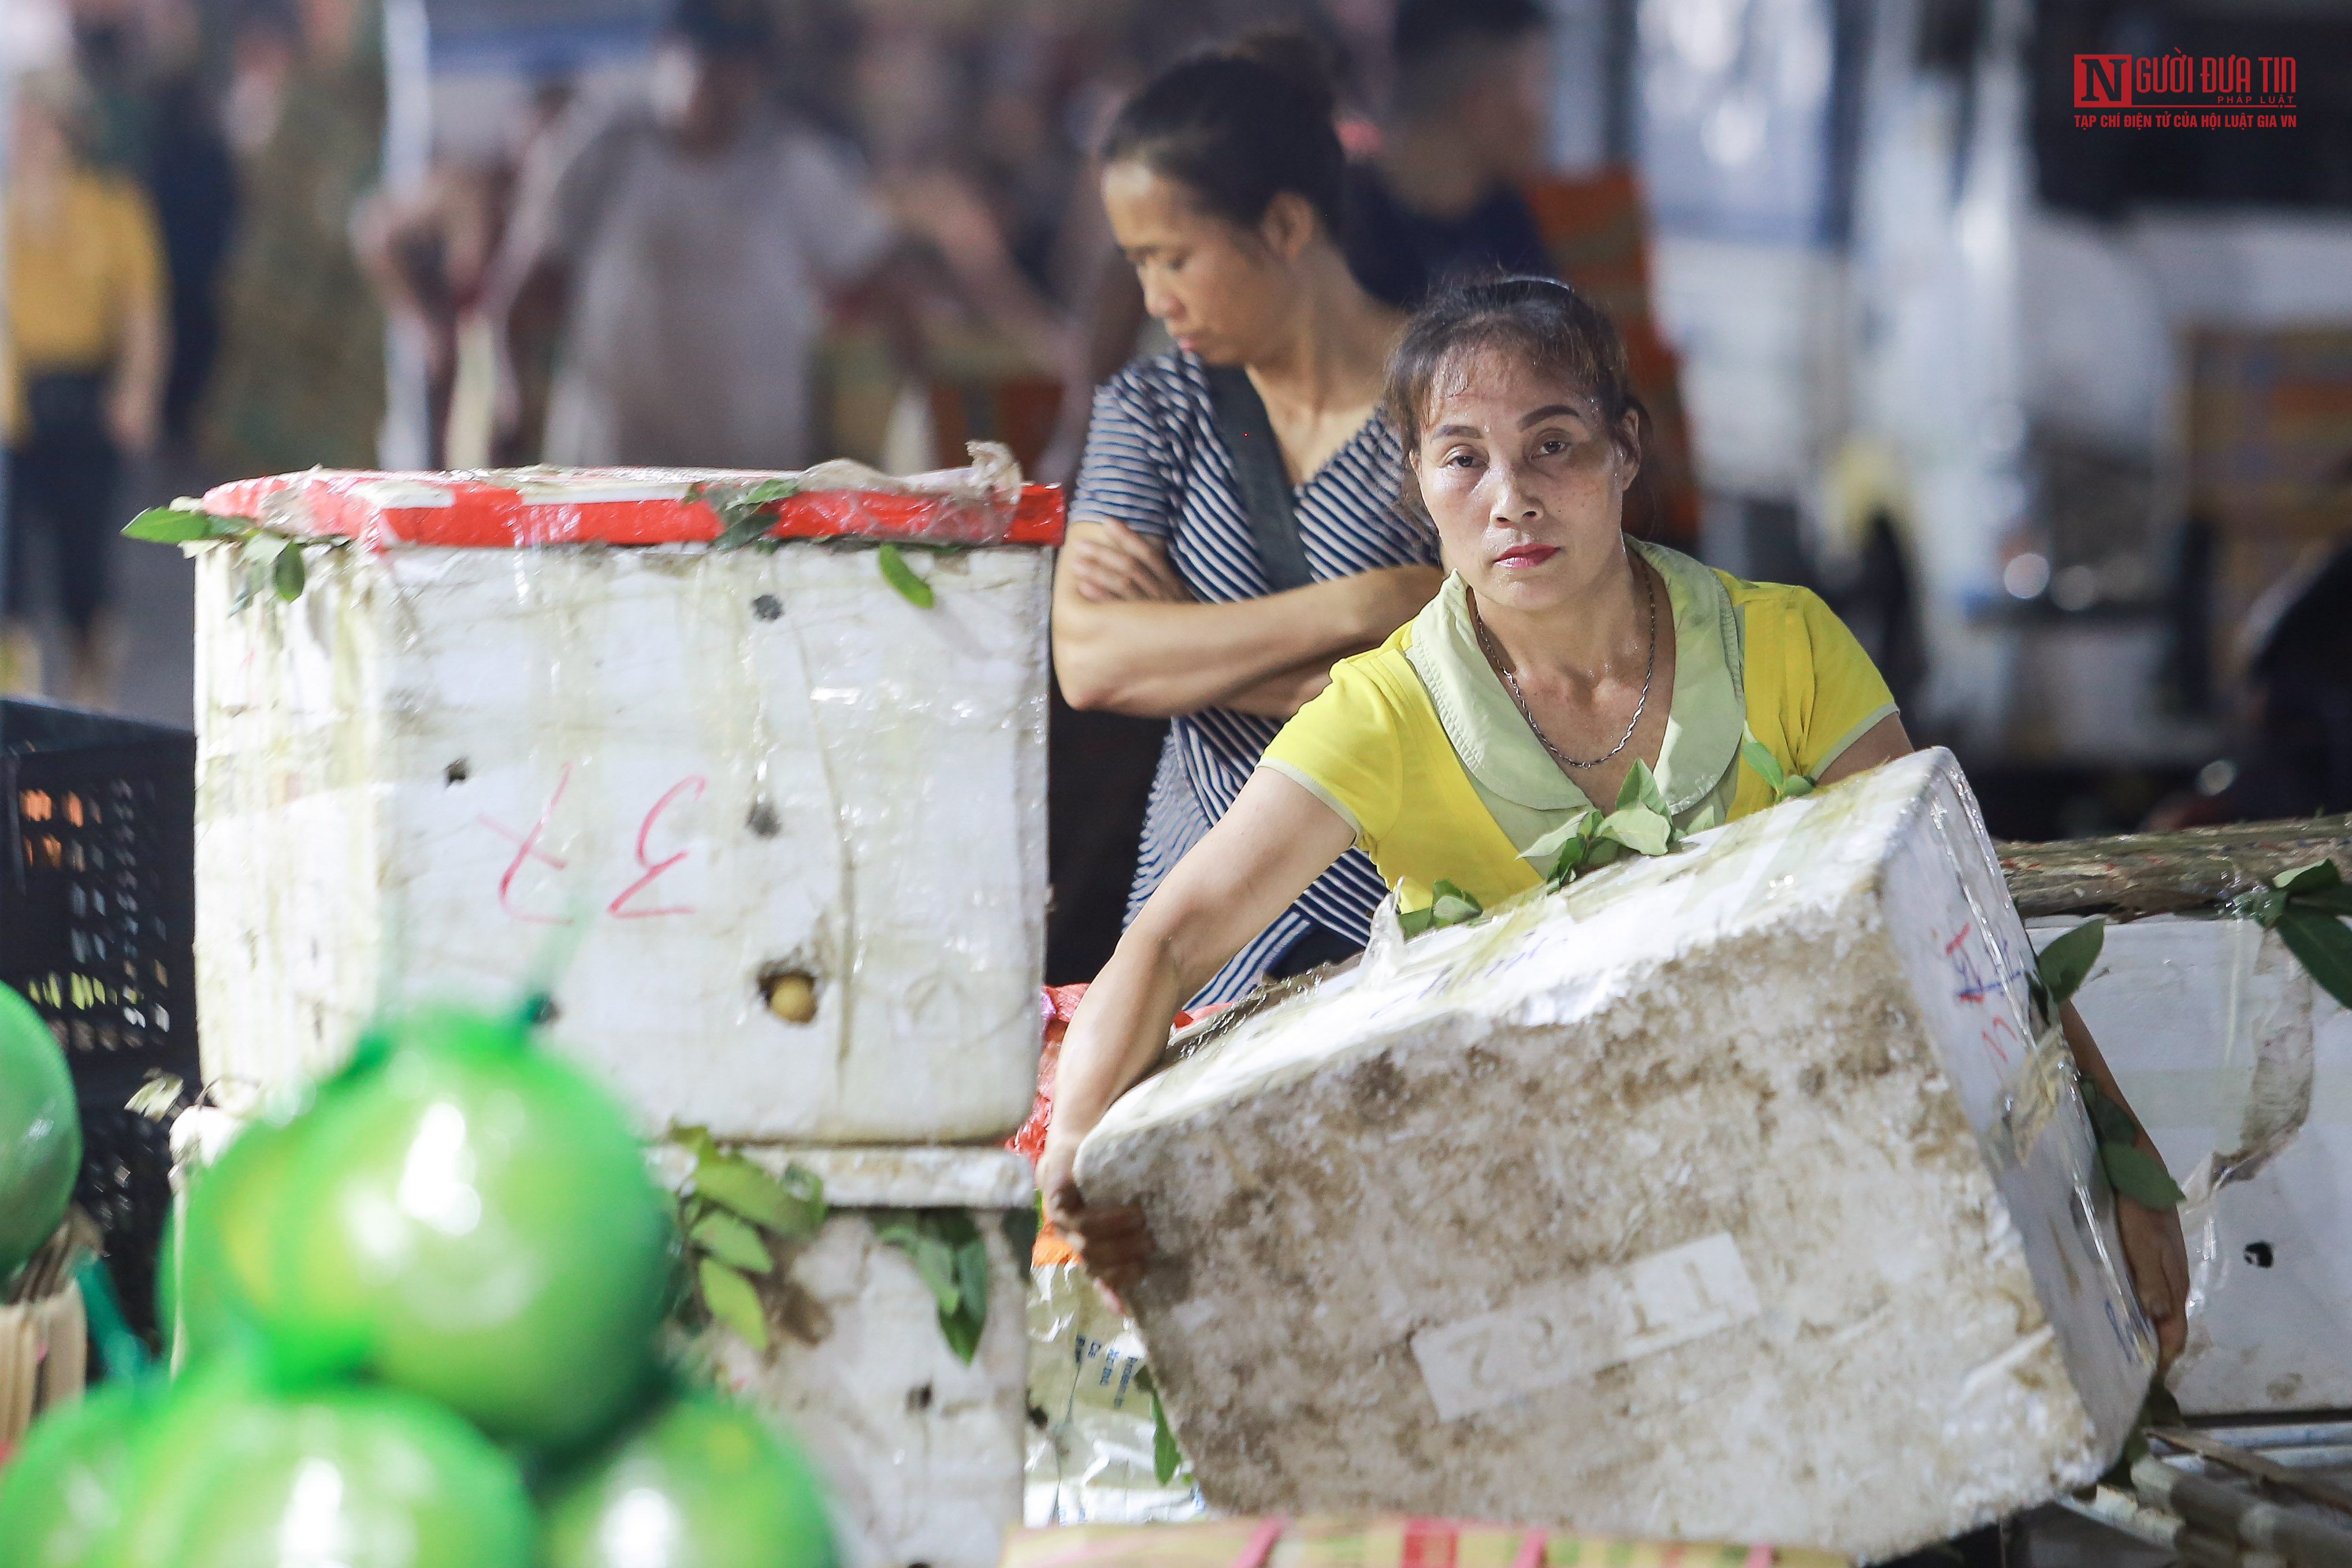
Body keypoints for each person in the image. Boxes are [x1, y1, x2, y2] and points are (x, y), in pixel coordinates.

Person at [1041, 277, 2191, 1370]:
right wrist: (1076, 1166)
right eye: (1462, 460)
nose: (1511, 497)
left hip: (1811, 1202)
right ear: (1417, 483)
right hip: (1529, 1262)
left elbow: (1961, 919)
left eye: (1553, 443)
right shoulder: (1386, 711)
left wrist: (2121, 1171)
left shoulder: (1781, 647)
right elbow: (1171, 939)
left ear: (1625, 450)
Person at [1052, 37, 1444, 1005]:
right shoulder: (1152, 409)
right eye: (1138, 263)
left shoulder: (1460, 400)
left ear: (1283, 224)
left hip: (1416, 926)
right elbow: (1094, 659)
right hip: (1198, 937)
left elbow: (1503, 660)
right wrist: (1378, 603)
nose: (1152, 298)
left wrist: (1192, 640)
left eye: (1174, 257)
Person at [484, 0, 910, 469]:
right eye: (705, 63)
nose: (720, 83)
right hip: (612, 462)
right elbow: (520, 292)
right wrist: (512, 402)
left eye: (738, 68)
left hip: (753, 466)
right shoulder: (602, 149)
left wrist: (911, 408)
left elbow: (881, 277)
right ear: (665, 53)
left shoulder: (794, 163)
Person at [2, 66, 168, 703]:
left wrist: (138, 388)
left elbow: (141, 309)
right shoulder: (9, 207)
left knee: (83, 560)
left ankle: (91, 686)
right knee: (9, 564)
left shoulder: (111, 206)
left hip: (85, 391)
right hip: (16, 397)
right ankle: (15, 697)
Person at [1342, 0, 1555, 310]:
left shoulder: (1510, 217)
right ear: (1482, 103)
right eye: (1537, 83)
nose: (1544, 115)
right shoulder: (1346, 229)